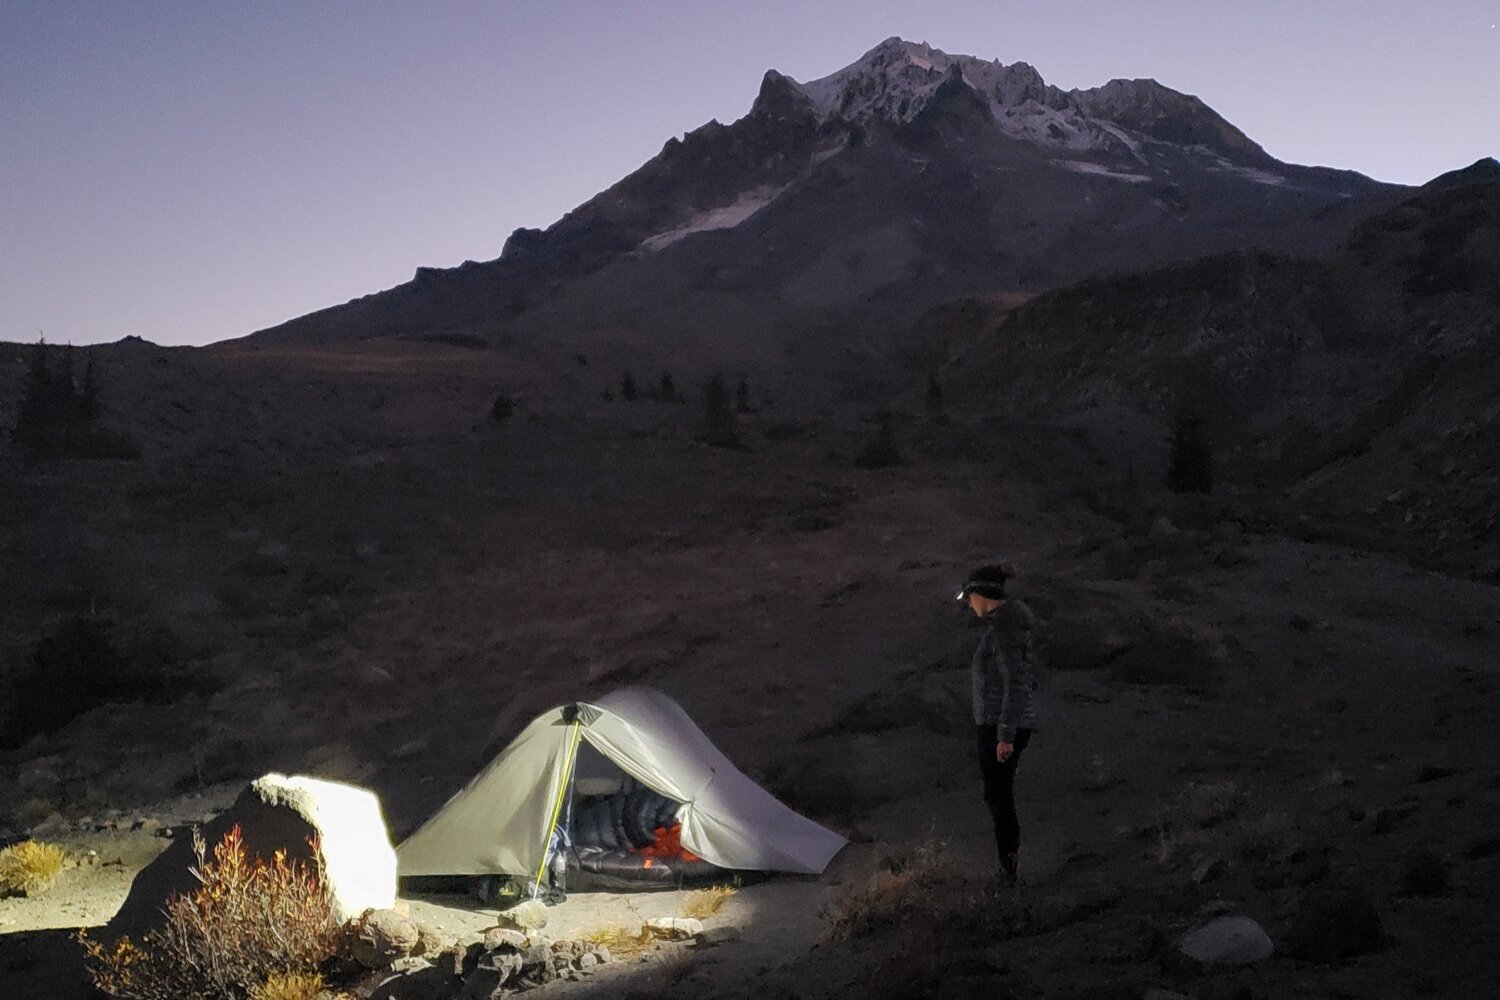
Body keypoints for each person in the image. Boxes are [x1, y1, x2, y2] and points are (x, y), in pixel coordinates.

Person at [958, 562, 1039, 887]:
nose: (969, 604)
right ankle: (1008, 868)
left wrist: (1004, 736)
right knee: (998, 797)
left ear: (982, 595)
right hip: (1000, 725)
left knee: (999, 798)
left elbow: (1015, 684)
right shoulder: (1005, 626)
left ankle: (1008, 874)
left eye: (970, 597)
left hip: (1000, 728)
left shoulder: (1004, 630)